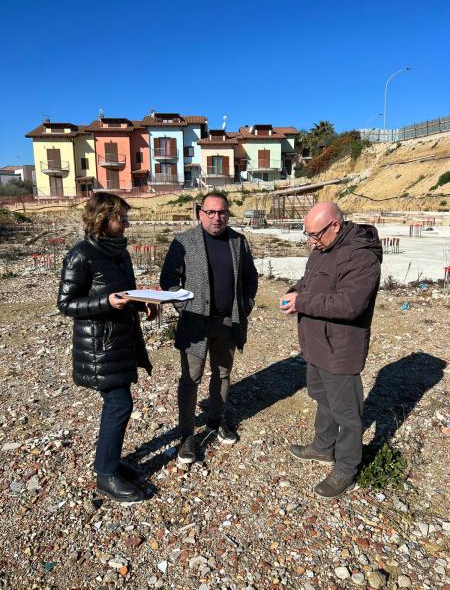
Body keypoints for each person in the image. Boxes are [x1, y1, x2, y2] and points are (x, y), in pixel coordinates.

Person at [57, 192, 157, 502]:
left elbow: (123, 293)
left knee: (119, 404)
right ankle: (106, 476)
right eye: (121, 218)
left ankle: (110, 464)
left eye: (127, 218)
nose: (127, 223)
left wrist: (142, 304)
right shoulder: (80, 255)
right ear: (103, 219)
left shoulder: (120, 252)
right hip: (100, 346)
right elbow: (66, 303)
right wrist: (106, 302)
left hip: (122, 341)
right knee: (119, 404)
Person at [280, 202, 382, 499]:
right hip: (316, 343)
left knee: (348, 413)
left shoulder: (362, 257)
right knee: (322, 396)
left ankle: (346, 469)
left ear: (335, 225)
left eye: (315, 235)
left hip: (340, 347)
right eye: (307, 235)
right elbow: (308, 282)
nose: (311, 241)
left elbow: (349, 306)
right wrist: (294, 292)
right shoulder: (322, 249)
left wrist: (302, 303)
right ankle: (323, 447)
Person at [160, 192, 258, 464]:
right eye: (211, 212)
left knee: (223, 373)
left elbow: (251, 278)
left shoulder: (238, 241)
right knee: (191, 379)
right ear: (200, 213)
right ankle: (187, 435)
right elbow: (168, 279)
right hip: (195, 323)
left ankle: (217, 420)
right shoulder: (184, 242)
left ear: (228, 214)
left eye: (222, 212)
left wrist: (245, 305)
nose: (217, 217)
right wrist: (184, 307)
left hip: (228, 322)